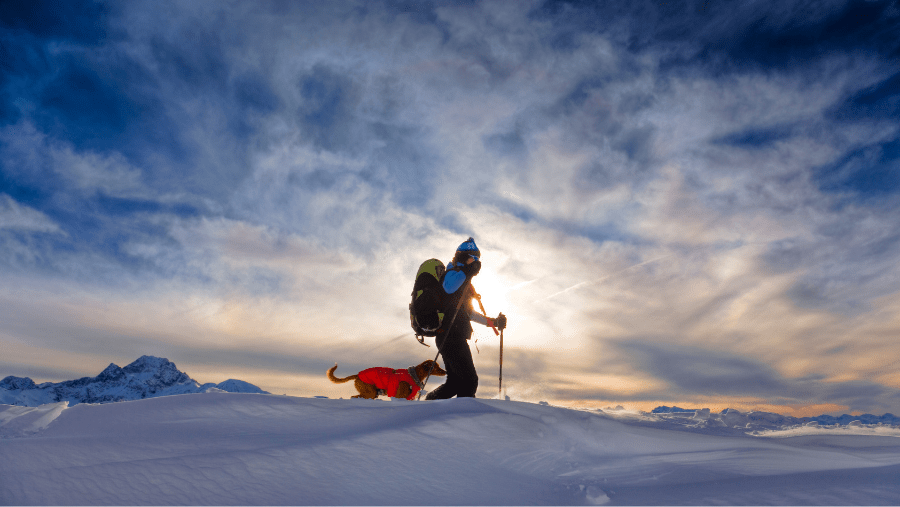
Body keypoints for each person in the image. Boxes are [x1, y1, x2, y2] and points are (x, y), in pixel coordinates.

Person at [426, 237, 506, 399]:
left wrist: (493, 322)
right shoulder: (452, 274)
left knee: (454, 382)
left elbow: (469, 313)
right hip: (449, 336)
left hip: (452, 336)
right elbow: (448, 288)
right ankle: (462, 419)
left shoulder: (464, 281)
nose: (476, 262)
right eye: (473, 258)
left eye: (477, 259)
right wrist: (467, 272)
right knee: (470, 381)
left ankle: (429, 405)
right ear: (463, 257)